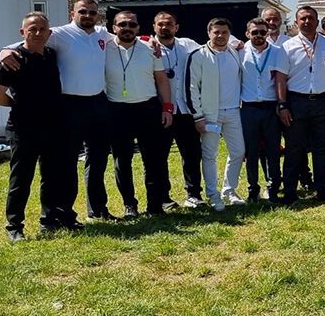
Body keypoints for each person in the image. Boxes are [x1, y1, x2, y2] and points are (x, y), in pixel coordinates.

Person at [0, 0, 115, 221]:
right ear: (73, 13)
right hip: (69, 106)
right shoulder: (59, 34)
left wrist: (150, 41)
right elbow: (22, 43)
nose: (88, 15)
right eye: (83, 11)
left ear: (97, 16)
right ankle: (65, 212)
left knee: (98, 159)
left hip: (99, 103)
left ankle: (98, 209)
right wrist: (3, 52)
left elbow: (124, 38)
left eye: (92, 12)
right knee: (67, 162)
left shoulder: (102, 34)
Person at [0, 13, 79, 240]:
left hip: (53, 126)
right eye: (32, 29)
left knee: (51, 176)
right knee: (21, 178)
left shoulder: (51, 54)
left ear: (49, 33)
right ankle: (14, 226)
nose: (37, 33)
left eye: (42, 29)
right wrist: (18, 105)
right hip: (23, 128)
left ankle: (49, 220)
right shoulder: (13, 60)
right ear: (23, 32)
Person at [105, 11, 173, 217]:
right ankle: (130, 205)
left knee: (153, 160)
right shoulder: (103, 48)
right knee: (122, 161)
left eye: (132, 25)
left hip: (148, 109)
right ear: (114, 28)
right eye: (122, 24)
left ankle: (155, 205)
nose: (127, 28)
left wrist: (167, 108)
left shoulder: (150, 48)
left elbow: (161, 79)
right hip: (117, 110)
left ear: (138, 28)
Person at [184, 18, 246, 210]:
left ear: (229, 34)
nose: (220, 36)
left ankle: (229, 190)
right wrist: (198, 115)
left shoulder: (234, 52)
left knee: (238, 152)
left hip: (233, 111)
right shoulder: (198, 55)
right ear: (208, 33)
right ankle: (213, 194)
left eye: (224, 32)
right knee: (210, 155)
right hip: (210, 114)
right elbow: (191, 87)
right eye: (216, 32)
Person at [148, 12, 205, 208]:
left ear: (176, 27)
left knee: (192, 155)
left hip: (186, 109)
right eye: (160, 24)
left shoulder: (187, 45)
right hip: (162, 110)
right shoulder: (147, 46)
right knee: (159, 156)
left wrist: (235, 42)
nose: (165, 27)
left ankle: (194, 194)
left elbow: (213, 44)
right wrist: (145, 38)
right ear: (154, 27)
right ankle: (164, 197)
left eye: (169, 24)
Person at [281, 6, 325, 203]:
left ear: (317, 21)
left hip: (323, 101)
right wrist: (282, 105)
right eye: (303, 18)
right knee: (294, 148)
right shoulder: (287, 46)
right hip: (296, 101)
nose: (307, 21)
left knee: (322, 148)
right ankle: (290, 191)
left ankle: (322, 189)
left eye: (311, 18)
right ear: (296, 22)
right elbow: (280, 78)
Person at [237, 18, 288, 204]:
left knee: (273, 151)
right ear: (247, 34)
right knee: (250, 152)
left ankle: (273, 187)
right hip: (248, 108)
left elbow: (281, 79)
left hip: (270, 108)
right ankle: (253, 189)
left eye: (262, 32)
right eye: (254, 32)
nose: (258, 35)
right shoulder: (239, 51)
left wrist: (282, 104)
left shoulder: (278, 52)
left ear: (268, 33)